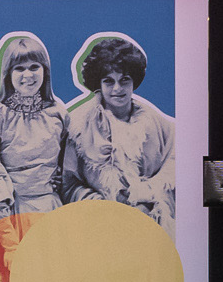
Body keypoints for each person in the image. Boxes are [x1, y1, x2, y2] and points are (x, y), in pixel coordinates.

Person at [65, 31, 176, 232]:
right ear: (98, 84)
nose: (117, 88)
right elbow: (68, 184)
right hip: (98, 225)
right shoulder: (78, 126)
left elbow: (174, 169)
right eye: (108, 81)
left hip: (149, 225)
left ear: (134, 82)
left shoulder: (157, 123)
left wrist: (147, 199)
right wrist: (105, 207)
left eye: (124, 79)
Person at [0, 31, 85, 219]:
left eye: (34, 67)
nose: (28, 75)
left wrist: (61, 180)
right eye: (19, 68)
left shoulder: (59, 114)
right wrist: (2, 218)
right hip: (11, 207)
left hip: (52, 206)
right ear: (8, 74)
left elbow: (70, 167)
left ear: (45, 71)